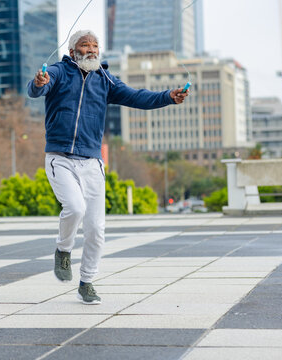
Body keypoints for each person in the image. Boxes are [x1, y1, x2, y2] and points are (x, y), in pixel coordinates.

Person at [27, 30, 189, 304]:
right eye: (84, 46)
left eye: (94, 46)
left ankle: (87, 282)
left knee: (96, 228)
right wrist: (39, 81)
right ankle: (63, 250)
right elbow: (38, 88)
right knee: (75, 208)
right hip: (60, 157)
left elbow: (137, 97)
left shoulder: (105, 80)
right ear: (72, 51)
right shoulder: (58, 71)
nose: (91, 50)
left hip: (91, 161)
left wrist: (168, 97)